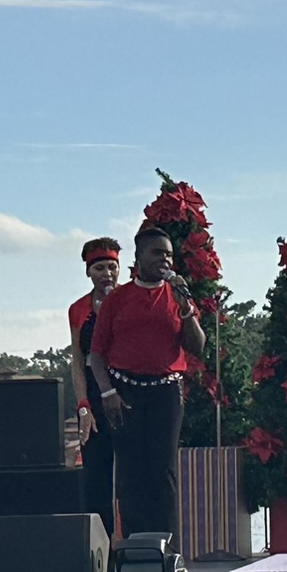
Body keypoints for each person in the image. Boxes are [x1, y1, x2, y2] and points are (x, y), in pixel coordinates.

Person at [87, 227, 204, 537]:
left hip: (166, 393)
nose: (165, 259)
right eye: (157, 253)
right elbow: (96, 355)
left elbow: (197, 346)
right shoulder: (118, 299)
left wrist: (186, 310)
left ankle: (166, 549)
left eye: (169, 254)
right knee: (130, 473)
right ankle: (136, 547)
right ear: (139, 258)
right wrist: (107, 392)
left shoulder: (177, 297)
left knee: (163, 472)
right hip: (124, 393)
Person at [68, 237, 122, 538]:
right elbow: (77, 360)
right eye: (100, 268)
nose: (107, 274)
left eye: (112, 267)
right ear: (89, 272)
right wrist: (83, 405)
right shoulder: (78, 309)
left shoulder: (127, 300)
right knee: (96, 473)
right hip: (93, 389)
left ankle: (135, 542)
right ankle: (100, 545)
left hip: (125, 386)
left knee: (130, 471)